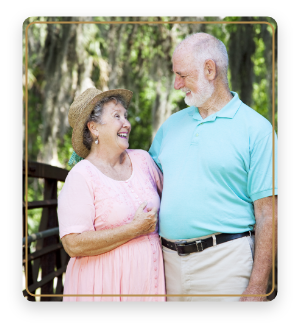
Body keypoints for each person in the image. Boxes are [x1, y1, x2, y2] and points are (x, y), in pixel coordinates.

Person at [149, 33, 278, 302]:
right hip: (166, 264)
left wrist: (257, 287)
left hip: (226, 264)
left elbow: (268, 214)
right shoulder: (171, 126)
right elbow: (144, 181)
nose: (176, 84)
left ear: (210, 69)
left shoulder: (258, 130)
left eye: (182, 75)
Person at [58, 87, 166, 302]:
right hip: (100, 287)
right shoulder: (81, 175)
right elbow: (73, 244)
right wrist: (133, 229)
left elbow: (171, 201)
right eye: (117, 116)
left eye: (125, 116)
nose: (126, 123)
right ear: (94, 128)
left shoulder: (144, 160)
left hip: (146, 285)